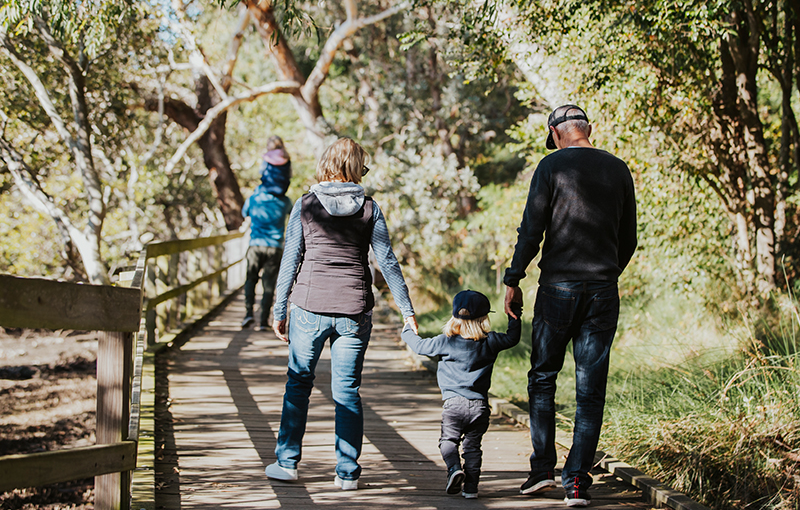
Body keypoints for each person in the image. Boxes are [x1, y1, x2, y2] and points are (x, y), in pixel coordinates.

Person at [264, 137, 418, 491]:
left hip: (309, 307)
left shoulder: (304, 205)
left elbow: (291, 259)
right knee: (347, 391)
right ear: (355, 168)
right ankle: (346, 473)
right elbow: (387, 261)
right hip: (353, 311)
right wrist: (406, 308)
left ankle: (287, 463)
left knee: (298, 384)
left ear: (326, 163)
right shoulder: (369, 208)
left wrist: (279, 309)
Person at [503, 105, 637, 507]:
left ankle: (542, 470)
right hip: (603, 289)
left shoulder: (550, 166)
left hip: (557, 287)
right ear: (587, 130)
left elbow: (532, 229)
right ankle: (577, 480)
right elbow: (628, 238)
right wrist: (606, 273)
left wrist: (513, 279)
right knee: (590, 388)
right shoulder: (619, 169)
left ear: (556, 134)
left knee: (543, 376)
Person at [402, 290, 521, 499]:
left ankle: (454, 468)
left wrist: (407, 331)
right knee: (473, 446)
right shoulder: (490, 341)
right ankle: (471, 488)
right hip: (480, 406)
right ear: (485, 318)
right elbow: (513, 338)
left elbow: (419, 346)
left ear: (454, 315)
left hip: (453, 405)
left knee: (448, 441)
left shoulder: (444, 341)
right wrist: (515, 313)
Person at [241, 136, 293, 330]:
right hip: (275, 246)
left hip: (255, 244)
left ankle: (248, 314)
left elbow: (244, 212)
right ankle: (263, 321)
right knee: (269, 284)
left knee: (251, 279)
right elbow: (295, 215)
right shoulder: (285, 201)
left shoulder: (254, 198)